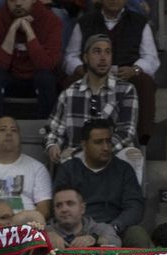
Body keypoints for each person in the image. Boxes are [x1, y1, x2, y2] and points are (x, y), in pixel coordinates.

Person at [63, 0, 159, 141]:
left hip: (125, 75)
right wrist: (81, 69)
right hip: (91, 75)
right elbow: (70, 56)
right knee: (70, 81)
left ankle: (142, 140)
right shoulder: (85, 22)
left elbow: (151, 58)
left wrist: (135, 69)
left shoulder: (140, 22)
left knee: (145, 83)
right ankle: (74, 137)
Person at [47, 35, 143, 179]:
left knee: (132, 155)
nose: (103, 57)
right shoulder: (70, 93)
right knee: (67, 158)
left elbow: (126, 132)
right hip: (77, 158)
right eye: (97, 52)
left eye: (107, 52)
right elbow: (54, 130)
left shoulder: (126, 90)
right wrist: (53, 145)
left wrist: (95, 151)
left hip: (111, 155)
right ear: (85, 58)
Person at [52, 120, 149, 246]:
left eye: (108, 141)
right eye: (98, 142)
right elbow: (58, 204)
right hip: (78, 229)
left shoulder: (123, 169)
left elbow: (135, 207)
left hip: (116, 228)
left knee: (137, 234)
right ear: (84, 145)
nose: (106, 147)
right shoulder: (69, 169)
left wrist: (113, 228)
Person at [0, 0, 63, 118]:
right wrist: (12, 29)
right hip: (11, 77)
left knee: (46, 77)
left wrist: (29, 31)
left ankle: (46, 130)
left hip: (38, 78)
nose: (18, 3)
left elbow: (47, 65)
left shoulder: (51, 20)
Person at [45, 186, 120, 247]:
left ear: (82, 208)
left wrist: (95, 239)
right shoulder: (46, 231)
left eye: (70, 203)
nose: (64, 209)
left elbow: (116, 242)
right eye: (58, 205)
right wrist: (45, 238)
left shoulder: (101, 228)